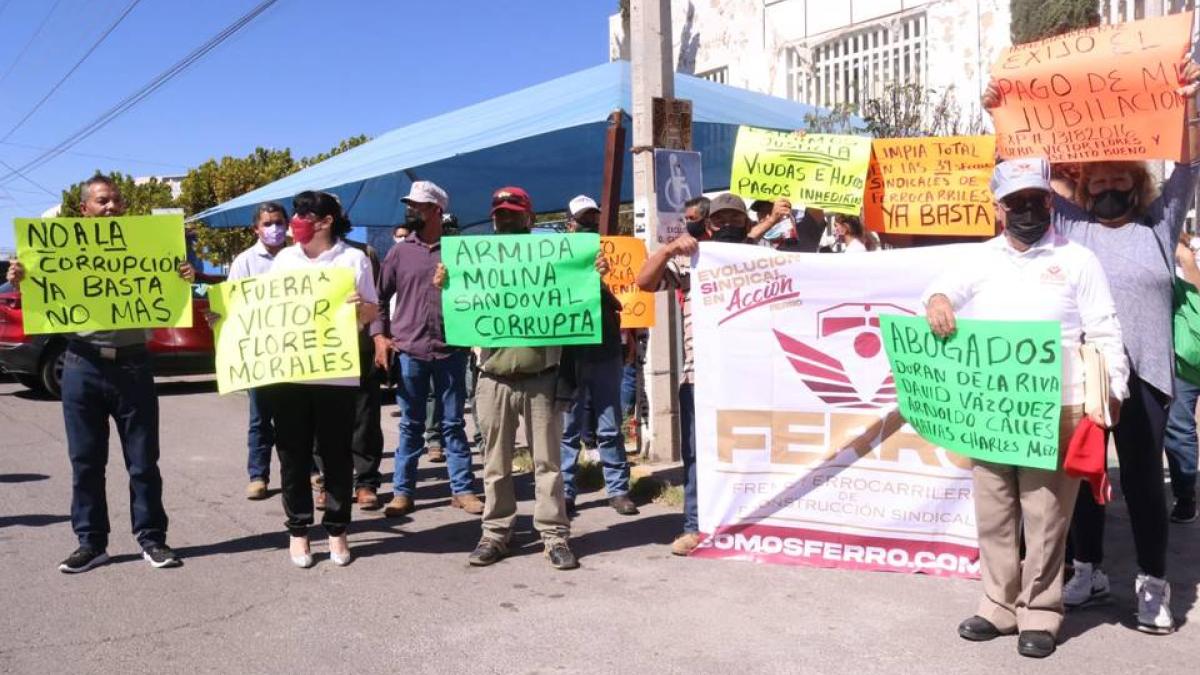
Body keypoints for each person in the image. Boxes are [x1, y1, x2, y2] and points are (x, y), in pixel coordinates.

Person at [983, 63, 1200, 634]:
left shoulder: (1158, 227)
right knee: (1078, 477)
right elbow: (1021, 175)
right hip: (1081, 376)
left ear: (1137, 184)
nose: (1107, 189)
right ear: (1082, 192)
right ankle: (1088, 569)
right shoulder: (1071, 229)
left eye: (1117, 180)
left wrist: (1189, 102)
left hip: (1145, 376)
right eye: (1096, 183)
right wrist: (1000, 114)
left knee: (1143, 483)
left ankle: (1154, 583)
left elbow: (1189, 166)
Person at [925, 157, 1128, 658]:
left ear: (1049, 202)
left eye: (1036, 201)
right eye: (1016, 203)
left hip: (1058, 405)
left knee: (1046, 513)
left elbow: (1104, 327)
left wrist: (1113, 392)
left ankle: (1040, 610)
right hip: (992, 408)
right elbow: (939, 293)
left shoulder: (1078, 259)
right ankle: (998, 602)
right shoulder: (980, 259)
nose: (1028, 210)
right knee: (993, 509)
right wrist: (936, 301)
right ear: (999, 209)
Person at [5, 174, 196, 572]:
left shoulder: (148, 246)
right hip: (81, 364)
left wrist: (184, 277)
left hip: (133, 364)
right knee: (86, 461)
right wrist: (21, 279)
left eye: (116, 201)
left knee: (143, 462)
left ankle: (152, 539)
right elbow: (39, 296)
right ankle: (91, 543)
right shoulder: (56, 253)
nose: (111, 207)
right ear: (84, 209)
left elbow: (172, 289)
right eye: (102, 201)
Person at [441, 186, 598, 571]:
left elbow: (579, 302)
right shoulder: (475, 263)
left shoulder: (554, 261)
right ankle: (495, 533)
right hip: (492, 379)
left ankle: (554, 535)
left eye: (513, 212)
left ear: (529, 218)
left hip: (542, 378)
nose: (505, 218)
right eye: (500, 213)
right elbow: (457, 321)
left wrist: (591, 277)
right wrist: (444, 286)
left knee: (549, 463)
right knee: (495, 463)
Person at [636, 192, 758, 556]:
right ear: (709, 225)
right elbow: (643, 282)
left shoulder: (764, 258)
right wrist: (668, 250)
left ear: (746, 224)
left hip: (752, 380)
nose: (728, 226)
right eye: (721, 220)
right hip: (699, 378)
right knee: (696, 458)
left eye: (736, 220)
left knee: (753, 456)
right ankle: (696, 527)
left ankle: (753, 526)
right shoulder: (692, 260)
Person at [264, 190, 379, 568]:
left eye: (304, 213)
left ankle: (336, 529)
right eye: (295, 212)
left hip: (336, 375)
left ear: (326, 220)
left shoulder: (354, 259)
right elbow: (267, 310)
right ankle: (298, 531)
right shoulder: (284, 260)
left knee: (335, 455)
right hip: (290, 374)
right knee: (293, 454)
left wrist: (357, 309)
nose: (296, 219)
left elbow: (371, 312)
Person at [376, 181, 482, 517]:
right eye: (410, 205)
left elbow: (479, 298)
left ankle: (462, 490)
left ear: (437, 210)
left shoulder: (460, 252)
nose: (412, 211)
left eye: (420, 206)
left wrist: (454, 286)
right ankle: (402, 493)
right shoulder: (398, 252)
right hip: (410, 351)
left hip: (451, 350)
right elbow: (379, 298)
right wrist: (382, 336)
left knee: (453, 424)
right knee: (411, 424)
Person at [560, 195, 638, 516]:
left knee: (610, 425)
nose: (590, 224)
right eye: (584, 219)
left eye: (595, 218)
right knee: (568, 429)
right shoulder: (557, 259)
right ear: (570, 225)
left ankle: (618, 489)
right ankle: (565, 492)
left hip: (607, 350)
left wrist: (630, 336)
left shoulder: (612, 255)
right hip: (569, 355)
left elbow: (632, 298)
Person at [227, 202, 289, 500]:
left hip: (296, 352)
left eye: (278, 222)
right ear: (256, 228)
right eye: (267, 223)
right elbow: (231, 305)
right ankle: (258, 475)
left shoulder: (300, 257)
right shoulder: (245, 262)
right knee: (260, 418)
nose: (273, 228)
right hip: (260, 353)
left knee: (299, 419)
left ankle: (308, 473)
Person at [1165, 235, 1200, 524]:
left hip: (1186, 356)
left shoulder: (1187, 255)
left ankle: (1186, 494)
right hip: (1171, 355)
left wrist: (1187, 263)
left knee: (1178, 427)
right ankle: (1184, 493)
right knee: (1174, 426)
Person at [747, 197, 826, 252]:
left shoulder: (804, 233)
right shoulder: (754, 241)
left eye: (772, 211)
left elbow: (816, 201)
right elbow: (743, 243)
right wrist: (771, 221)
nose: (768, 216)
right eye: (762, 212)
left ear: (787, 212)